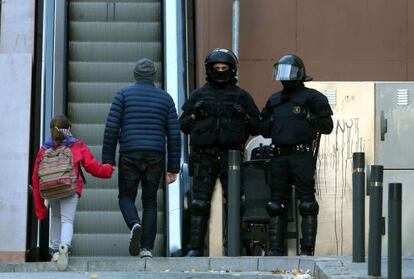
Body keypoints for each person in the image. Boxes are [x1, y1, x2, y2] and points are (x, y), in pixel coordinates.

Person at [180, 48, 260, 257]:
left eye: (224, 68)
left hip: (231, 156)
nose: (221, 71)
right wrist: (196, 114)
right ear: (209, 69)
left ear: (232, 70)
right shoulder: (199, 95)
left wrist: (243, 116)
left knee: (235, 202)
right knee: (198, 203)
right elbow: (183, 125)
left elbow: (257, 126)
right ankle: (195, 248)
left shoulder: (241, 96)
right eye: (217, 68)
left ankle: (234, 247)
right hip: (204, 155)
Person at [102, 58, 181, 258]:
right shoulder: (166, 99)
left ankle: (134, 223)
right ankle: (146, 249)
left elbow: (111, 128)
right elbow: (173, 134)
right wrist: (173, 168)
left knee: (126, 196)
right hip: (155, 155)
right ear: (153, 77)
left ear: (135, 75)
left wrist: (108, 160)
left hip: (129, 153)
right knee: (150, 202)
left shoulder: (123, 95)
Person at [260, 54, 333, 256]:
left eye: (290, 72)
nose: (286, 77)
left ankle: (307, 250)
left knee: (307, 203)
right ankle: (275, 249)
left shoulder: (313, 98)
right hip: (279, 156)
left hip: (301, 155)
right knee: (276, 204)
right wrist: (267, 123)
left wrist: (309, 116)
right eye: (282, 72)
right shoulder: (274, 100)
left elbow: (327, 126)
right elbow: (264, 129)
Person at [32, 115, 114, 271]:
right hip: (70, 188)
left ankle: (55, 250)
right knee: (67, 220)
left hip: (50, 189)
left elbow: (36, 176)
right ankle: (64, 247)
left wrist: (40, 207)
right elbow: (92, 167)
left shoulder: (44, 149)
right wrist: (108, 170)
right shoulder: (77, 145)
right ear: (68, 129)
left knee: (55, 217)